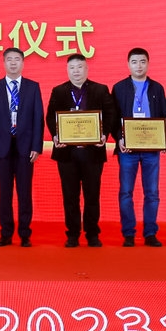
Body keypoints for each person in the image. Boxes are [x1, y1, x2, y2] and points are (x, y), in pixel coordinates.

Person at [45, 53, 119, 248]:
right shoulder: (59, 91)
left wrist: (104, 134)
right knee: (70, 196)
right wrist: (56, 135)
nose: (76, 71)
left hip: (92, 152)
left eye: (79, 67)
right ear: (67, 70)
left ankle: (92, 234)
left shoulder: (100, 89)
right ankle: (72, 234)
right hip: (67, 153)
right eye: (72, 68)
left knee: (92, 195)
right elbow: (51, 117)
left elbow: (110, 114)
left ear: (87, 69)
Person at [0, 47, 43, 247]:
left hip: (26, 148)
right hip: (2, 148)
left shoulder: (33, 87)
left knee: (25, 193)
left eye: (17, 59)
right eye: (9, 59)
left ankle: (25, 234)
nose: (13, 63)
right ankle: (6, 233)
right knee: (5, 193)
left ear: (23, 63)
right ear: (4, 63)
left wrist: (37, 146)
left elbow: (38, 118)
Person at [111, 47, 166, 247]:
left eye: (143, 61)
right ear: (128, 65)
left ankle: (150, 233)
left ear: (148, 64)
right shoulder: (119, 88)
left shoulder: (157, 88)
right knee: (126, 192)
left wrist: (163, 139)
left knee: (152, 193)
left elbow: (164, 116)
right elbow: (113, 118)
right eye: (134, 62)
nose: (139, 66)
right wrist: (119, 138)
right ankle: (128, 233)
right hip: (128, 150)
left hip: (151, 149)